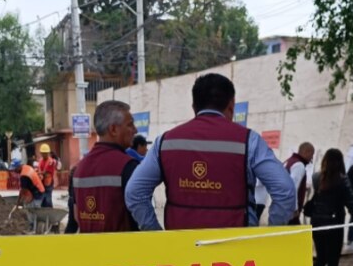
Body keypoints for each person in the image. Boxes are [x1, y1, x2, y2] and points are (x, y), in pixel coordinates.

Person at [125, 73, 296, 230]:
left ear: (194, 106)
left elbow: (135, 192)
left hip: (182, 252)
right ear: (231, 106)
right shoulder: (249, 140)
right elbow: (285, 190)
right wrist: (274, 230)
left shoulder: (165, 142)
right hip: (238, 252)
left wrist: (155, 233)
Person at [68, 100, 140, 233]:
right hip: (121, 250)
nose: (135, 130)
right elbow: (140, 218)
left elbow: (76, 216)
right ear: (113, 129)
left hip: (90, 250)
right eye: (130, 125)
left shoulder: (79, 169)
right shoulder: (128, 166)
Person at [305, 148, 353, 266]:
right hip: (334, 224)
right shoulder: (342, 180)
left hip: (317, 223)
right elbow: (351, 203)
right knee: (333, 261)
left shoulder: (317, 178)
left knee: (320, 258)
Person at [284, 142, 315, 225]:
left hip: (283, 206)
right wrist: (294, 208)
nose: (312, 158)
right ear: (306, 152)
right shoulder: (299, 165)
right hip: (290, 210)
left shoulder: (290, 161)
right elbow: (293, 187)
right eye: (311, 154)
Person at [37, 144, 60, 208]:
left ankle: (49, 211)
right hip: (41, 182)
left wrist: (39, 173)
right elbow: (39, 169)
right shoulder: (41, 160)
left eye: (46, 153)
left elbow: (46, 171)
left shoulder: (51, 161)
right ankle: (43, 210)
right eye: (43, 153)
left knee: (48, 198)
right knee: (42, 198)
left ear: (48, 153)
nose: (44, 155)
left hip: (48, 183)